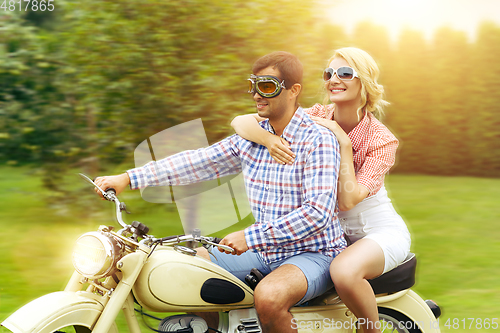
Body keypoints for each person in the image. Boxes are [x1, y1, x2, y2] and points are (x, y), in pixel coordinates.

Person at [94, 51, 346, 333]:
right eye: (253, 86)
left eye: (266, 86)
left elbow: (317, 213)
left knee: (269, 297)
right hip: (264, 251)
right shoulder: (252, 139)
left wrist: (250, 236)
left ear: (293, 90)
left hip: (314, 253)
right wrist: (128, 178)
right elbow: (196, 162)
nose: (256, 95)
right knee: (187, 273)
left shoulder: (317, 139)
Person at [230, 47, 411, 333]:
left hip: (377, 234)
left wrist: (343, 142)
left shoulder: (381, 140)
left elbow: (349, 199)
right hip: (332, 237)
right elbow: (240, 122)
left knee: (344, 271)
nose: (333, 79)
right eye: (329, 74)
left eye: (345, 73)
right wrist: (268, 140)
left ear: (363, 80)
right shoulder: (316, 114)